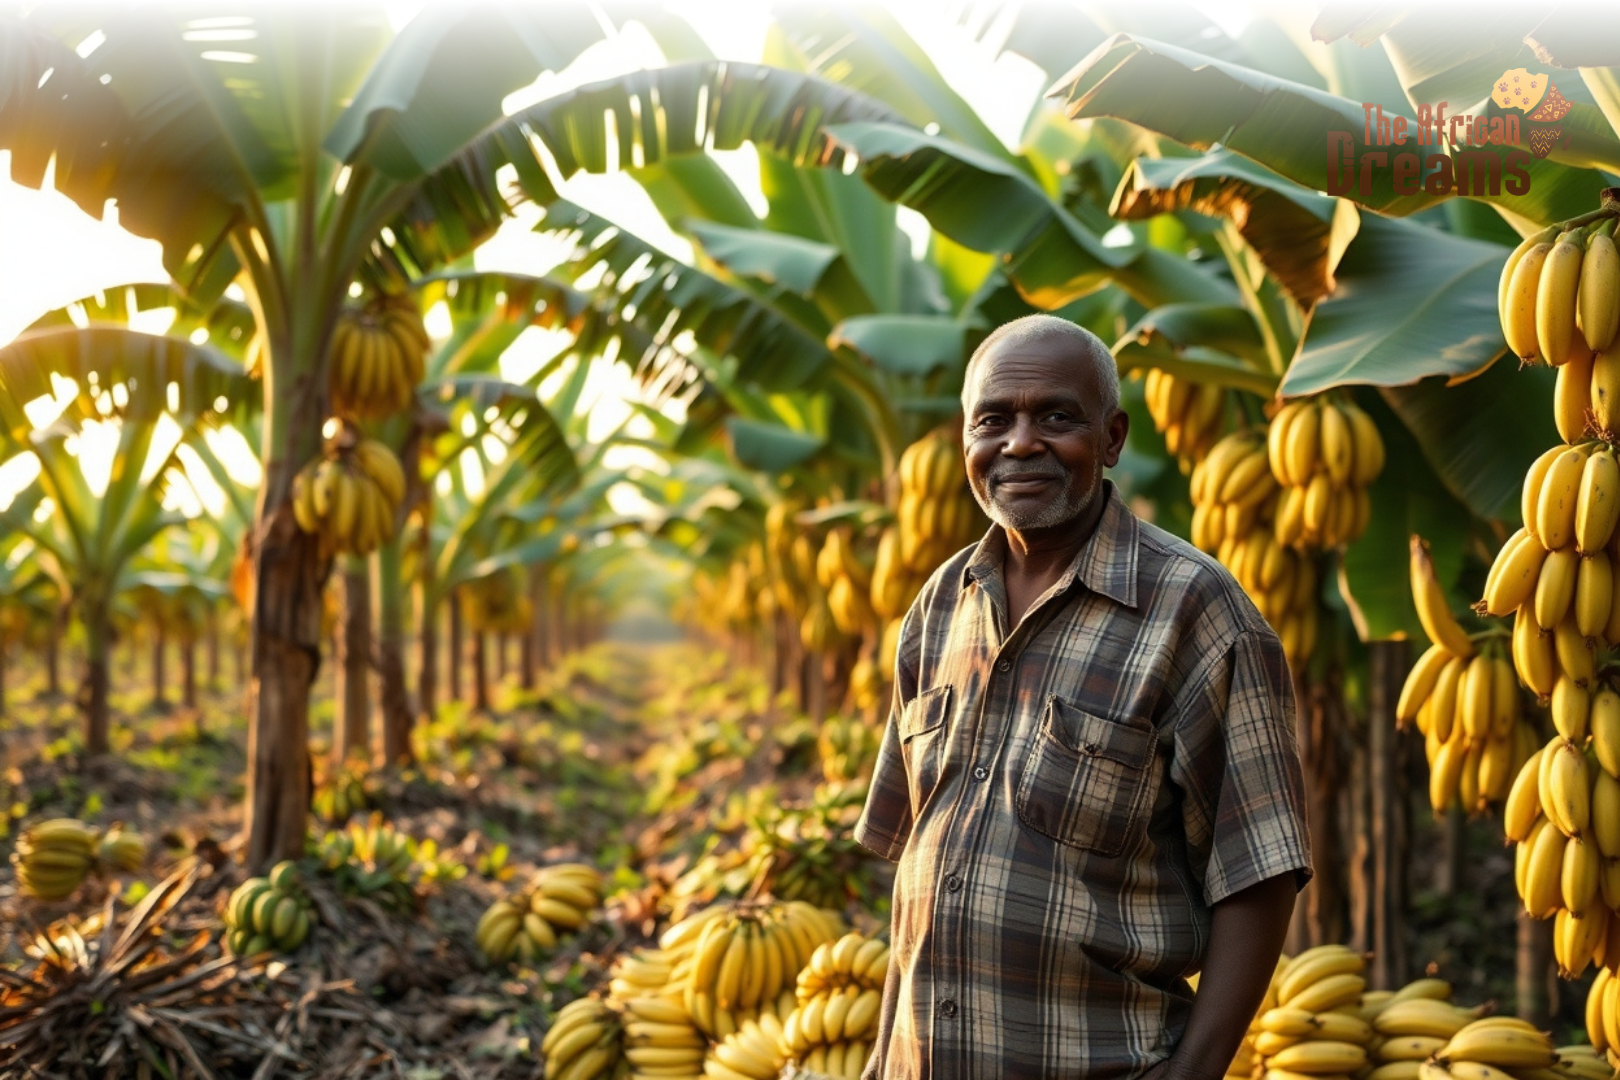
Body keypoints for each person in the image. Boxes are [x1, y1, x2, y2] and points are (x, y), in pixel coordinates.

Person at [855, 314, 1312, 1080]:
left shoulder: (1196, 611)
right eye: (993, 420)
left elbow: (1259, 872)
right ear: (965, 440)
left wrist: (1193, 1072)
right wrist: (880, 1060)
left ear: (1112, 437)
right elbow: (918, 867)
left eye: (1057, 416)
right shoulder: (941, 604)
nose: (1021, 443)